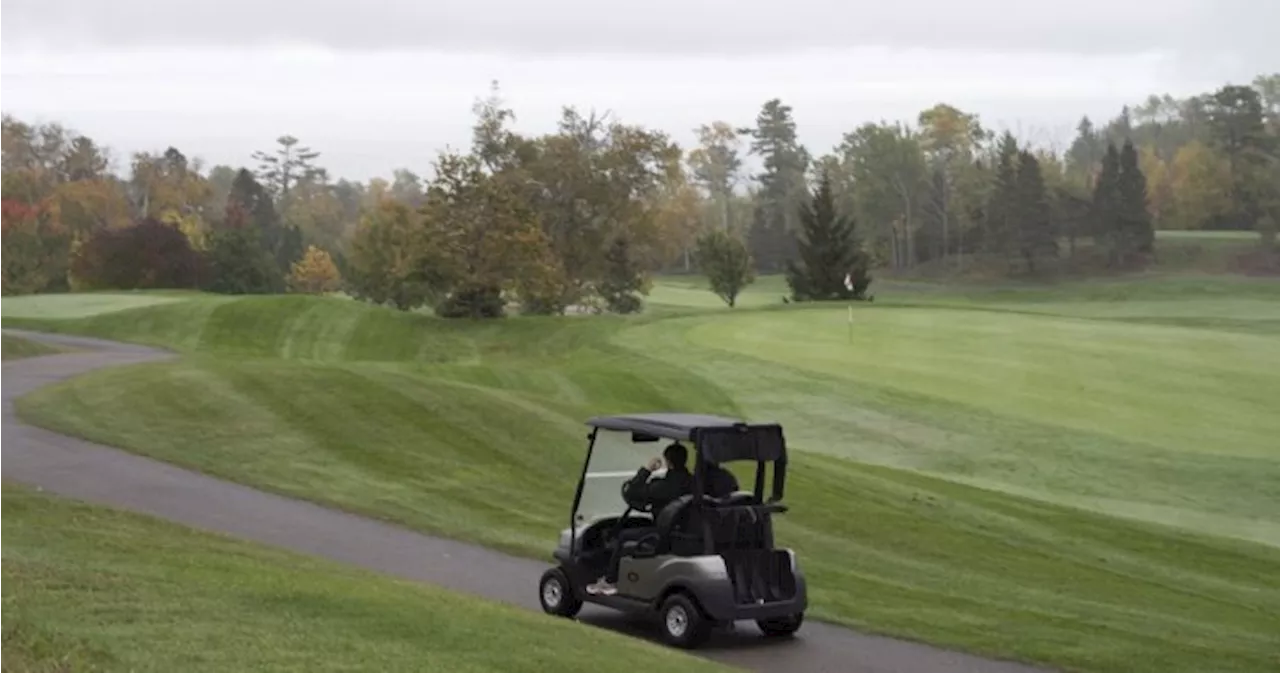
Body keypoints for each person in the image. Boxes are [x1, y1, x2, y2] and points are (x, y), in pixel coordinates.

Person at [585, 442, 693, 596]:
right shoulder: (691, 482)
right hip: (682, 530)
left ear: (668, 462)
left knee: (623, 536)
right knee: (640, 528)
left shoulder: (663, 487)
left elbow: (632, 491)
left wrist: (647, 470)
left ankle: (610, 581)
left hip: (664, 535)